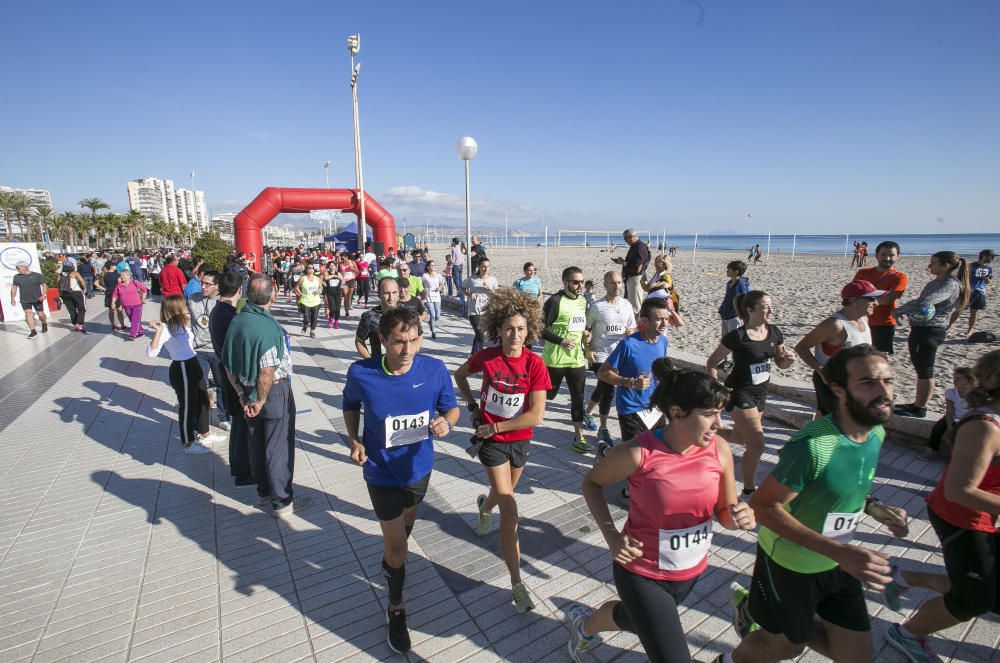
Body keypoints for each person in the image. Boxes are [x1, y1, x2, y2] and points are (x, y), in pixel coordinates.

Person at [721, 344, 909, 663]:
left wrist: (874, 507)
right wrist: (838, 550)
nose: (883, 391)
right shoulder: (814, 446)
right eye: (867, 383)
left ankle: (760, 610)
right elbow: (764, 507)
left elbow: (840, 487)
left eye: (888, 381)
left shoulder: (875, 431)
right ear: (838, 390)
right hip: (789, 565)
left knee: (858, 657)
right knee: (785, 647)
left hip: (837, 559)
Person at [568, 360, 756, 663]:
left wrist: (738, 518)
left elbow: (724, 511)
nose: (719, 424)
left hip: (689, 572)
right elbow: (591, 483)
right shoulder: (638, 452)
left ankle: (584, 625)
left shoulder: (719, 449)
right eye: (709, 414)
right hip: (641, 572)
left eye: (720, 413)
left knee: (634, 619)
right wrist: (612, 537)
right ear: (677, 414)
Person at [342, 307, 460, 654]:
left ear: (420, 338)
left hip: (419, 469)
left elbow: (451, 408)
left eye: (413, 341)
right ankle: (396, 608)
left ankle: (392, 564)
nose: (407, 350)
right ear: (383, 341)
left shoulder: (435, 369)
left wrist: (447, 423)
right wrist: (354, 439)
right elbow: (350, 404)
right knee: (396, 546)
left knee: (403, 536)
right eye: (398, 342)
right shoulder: (362, 372)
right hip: (380, 470)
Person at [880, 350, 999, 663]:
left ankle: (902, 576)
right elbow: (959, 490)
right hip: (964, 518)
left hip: (988, 517)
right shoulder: (983, 427)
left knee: (987, 591)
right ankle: (906, 635)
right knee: (973, 599)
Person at [453, 289, 549, 613]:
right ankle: (517, 584)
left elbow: (536, 415)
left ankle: (484, 506)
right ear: (499, 330)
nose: (515, 335)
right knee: (510, 509)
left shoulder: (535, 364)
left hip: (518, 439)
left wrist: (498, 426)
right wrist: (470, 405)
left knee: (501, 494)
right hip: (491, 443)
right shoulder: (488, 357)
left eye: (521, 329)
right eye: (509, 329)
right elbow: (460, 375)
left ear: (529, 331)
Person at [222, 275, 306, 518]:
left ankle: (263, 492)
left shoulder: (238, 321)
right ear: (273, 295)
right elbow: (267, 372)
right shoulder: (268, 328)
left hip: (246, 390)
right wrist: (260, 400)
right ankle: (282, 500)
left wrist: (240, 393)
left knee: (256, 443)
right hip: (272, 392)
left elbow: (228, 364)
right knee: (277, 446)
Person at [706, 291, 794, 494]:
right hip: (739, 392)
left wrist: (787, 361)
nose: (771, 310)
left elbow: (781, 361)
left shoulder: (774, 332)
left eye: (771, 306)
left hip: (761, 393)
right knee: (756, 445)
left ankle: (708, 432)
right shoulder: (737, 336)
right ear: (750, 310)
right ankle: (749, 490)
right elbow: (712, 361)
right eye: (765, 307)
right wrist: (714, 381)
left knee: (741, 437)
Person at [598, 297, 682, 504]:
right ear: (644, 320)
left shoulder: (663, 341)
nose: (664, 324)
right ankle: (629, 493)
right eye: (659, 319)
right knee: (638, 457)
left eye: (666, 319)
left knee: (659, 450)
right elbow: (603, 373)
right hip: (631, 408)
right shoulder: (628, 344)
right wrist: (629, 382)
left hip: (655, 407)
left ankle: (607, 451)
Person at [894, 250, 971, 418]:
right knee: (921, 367)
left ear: (946, 266)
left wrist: (902, 309)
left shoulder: (948, 284)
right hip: (924, 329)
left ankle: (920, 407)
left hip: (929, 330)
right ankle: (917, 403)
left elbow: (926, 301)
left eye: (933, 263)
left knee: (925, 369)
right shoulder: (941, 281)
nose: (930, 266)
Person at [147, 295, 224, 455]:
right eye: (184, 306)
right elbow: (151, 353)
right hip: (181, 367)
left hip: (193, 363)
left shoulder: (183, 325)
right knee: (187, 405)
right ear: (176, 309)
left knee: (203, 399)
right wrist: (158, 331)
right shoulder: (166, 329)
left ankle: (205, 433)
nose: (187, 308)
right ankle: (188, 442)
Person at [794, 280, 882, 416]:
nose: (876, 303)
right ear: (853, 301)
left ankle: (812, 436)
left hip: (855, 381)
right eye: (871, 298)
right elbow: (801, 347)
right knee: (833, 422)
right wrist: (820, 370)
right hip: (834, 381)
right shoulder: (835, 325)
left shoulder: (864, 319)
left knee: (831, 419)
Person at [542, 266, 592, 453]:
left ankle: (579, 437)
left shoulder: (582, 300)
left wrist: (585, 333)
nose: (579, 285)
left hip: (576, 359)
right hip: (554, 360)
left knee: (578, 397)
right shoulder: (554, 302)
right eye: (575, 282)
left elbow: (580, 325)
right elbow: (540, 328)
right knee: (548, 395)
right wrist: (561, 341)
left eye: (581, 281)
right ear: (565, 282)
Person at [584, 271, 637, 445]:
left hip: (620, 353)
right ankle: (603, 428)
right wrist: (587, 348)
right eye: (613, 283)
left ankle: (588, 411)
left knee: (602, 387)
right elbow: (587, 329)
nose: (617, 286)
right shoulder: (597, 307)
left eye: (619, 283)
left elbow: (632, 327)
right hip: (600, 353)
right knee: (608, 390)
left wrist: (631, 331)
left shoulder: (627, 305)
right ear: (605, 285)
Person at [210, 270, 252, 485]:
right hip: (233, 375)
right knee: (243, 425)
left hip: (226, 370)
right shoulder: (230, 316)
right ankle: (244, 470)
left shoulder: (219, 311)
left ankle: (239, 466)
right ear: (239, 290)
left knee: (239, 425)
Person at [188, 270, 229, 431]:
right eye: (202, 283)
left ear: (217, 286)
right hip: (198, 351)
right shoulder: (193, 299)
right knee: (200, 386)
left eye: (207, 284)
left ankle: (223, 417)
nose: (203, 286)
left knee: (221, 385)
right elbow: (185, 316)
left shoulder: (223, 302)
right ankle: (200, 420)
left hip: (217, 351)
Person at [855, 241, 908, 355]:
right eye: (883, 255)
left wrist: (863, 299)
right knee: (858, 356)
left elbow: (889, 299)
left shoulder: (900, 277)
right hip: (860, 320)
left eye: (891, 255)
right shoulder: (863, 273)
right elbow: (852, 295)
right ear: (877, 255)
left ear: (897, 257)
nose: (887, 258)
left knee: (880, 357)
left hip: (883, 324)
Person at [926, 366, 975, 457]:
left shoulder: (975, 395)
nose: (954, 381)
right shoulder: (950, 392)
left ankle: (957, 458)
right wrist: (949, 426)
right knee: (937, 429)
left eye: (958, 378)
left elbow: (974, 412)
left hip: (969, 419)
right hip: (953, 417)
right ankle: (932, 450)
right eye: (954, 378)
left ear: (969, 381)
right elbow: (949, 411)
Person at [356, 277, 404, 360]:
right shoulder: (369, 316)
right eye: (386, 293)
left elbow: (419, 335)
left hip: (404, 364)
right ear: (379, 294)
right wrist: (370, 361)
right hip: (379, 365)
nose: (391, 297)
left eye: (394, 292)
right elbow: (359, 340)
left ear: (398, 293)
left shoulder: (407, 312)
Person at [717, 260, 750, 369]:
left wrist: (742, 315)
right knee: (725, 338)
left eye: (729, 269)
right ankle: (727, 361)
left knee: (734, 339)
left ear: (736, 272)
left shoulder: (741, 285)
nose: (727, 271)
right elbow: (727, 298)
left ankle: (734, 362)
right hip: (725, 314)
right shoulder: (729, 283)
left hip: (734, 316)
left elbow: (745, 300)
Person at [612, 228, 651, 315]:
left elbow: (637, 269)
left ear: (632, 237)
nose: (625, 241)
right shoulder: (635, 247)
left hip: (636, 279)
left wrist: (623, 262)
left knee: (635, 307)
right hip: (632, 279)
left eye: (626, 239)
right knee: (631, 305)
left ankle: (637, 326)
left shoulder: (640, 247)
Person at [465, 257, 498, 355]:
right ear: (479, 267)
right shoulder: (472, 279)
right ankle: (479, 356)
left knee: (479, 334)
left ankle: (473, 354)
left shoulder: (493, 280)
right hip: (474, 311)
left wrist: (489, 288)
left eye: (487, 267)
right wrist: (470, 295)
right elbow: (461, 289)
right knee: (480, 334)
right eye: (483, 266)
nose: (485, 269)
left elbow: (496, 295)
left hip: (486, 311)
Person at [10, 261, 48, 338]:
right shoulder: (16, 277)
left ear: (24, 267)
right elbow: (14, 287)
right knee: (28, 313)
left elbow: (44, 285)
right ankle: (33, 331)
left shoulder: (37, 275)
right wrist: (12, 298)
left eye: (18, 268)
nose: (17, 270)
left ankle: (44, 323)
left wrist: (44, 294)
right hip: (25, 299)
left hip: (37, 299)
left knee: (41, 314)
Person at [111, 269, 149, 340]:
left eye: (123, 275)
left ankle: (133, 334)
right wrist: (113, 303)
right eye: (121, 275)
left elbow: (144, 289)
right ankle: (141, 331)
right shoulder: (119, 285)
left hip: (137, 305)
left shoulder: (135, 282)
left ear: (129, 276)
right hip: (126, 306)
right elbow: (115, 294)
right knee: (133, 319)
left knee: (135, 319)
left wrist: (143, 299)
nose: (121, 277)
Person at [965, 249, 994, 336]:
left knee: (974, 312)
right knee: (958, 310)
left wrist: (986, 279)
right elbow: (963, 277)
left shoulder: (988, 268)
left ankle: (970, 330)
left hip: (980, 292)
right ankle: (949, 326)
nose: (992, 258)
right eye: (991, 257)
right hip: (968, 291)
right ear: (984, 256)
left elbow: (988, 282)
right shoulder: (971, 266)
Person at [58, 263, 89, 333]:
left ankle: (75, 323)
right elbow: (81, 281)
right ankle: (79, 323)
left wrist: (60, 295)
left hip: (65, 294)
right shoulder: (74, 273)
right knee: (81, 308)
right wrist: (85, 288)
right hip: (76, 292)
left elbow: (58, 285)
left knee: (71, 310)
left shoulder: (60, 275)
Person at [294, 264, 323, 338]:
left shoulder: (317, 278)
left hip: (316, 302)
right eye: (309, 268)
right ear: (306, 270)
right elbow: (296, 287)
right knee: (307, 318)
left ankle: (312, 331)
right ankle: (305, 325)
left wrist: (319, 291)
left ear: (314, 270)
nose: (310, 269)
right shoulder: (303, 278)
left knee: (314, 318)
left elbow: (321, 287)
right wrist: (300, 294)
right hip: (305, 301)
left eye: (312, 268)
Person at [97, 262, 125, 332]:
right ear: (111, 266)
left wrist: (104, 289)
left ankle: (113, 325)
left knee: (111, 310)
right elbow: (120, 284)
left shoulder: (103, 274)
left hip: (108, 293)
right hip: (116, 293)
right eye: (114, 265)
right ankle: (122, 325)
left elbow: (95, 283)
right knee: (119, 310)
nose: (115, 266)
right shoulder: (117, 275)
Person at [420, 259, 443, 339]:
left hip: (436, 296)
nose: (433, 267)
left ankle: (431, 323)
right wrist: (424, 289)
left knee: (437, 316)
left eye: (434, 265)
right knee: (432, 315)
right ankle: (433, 331)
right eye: (431, 265)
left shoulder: (438, 275)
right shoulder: (425, 276)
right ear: (428, 267)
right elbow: (421, 283)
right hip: (428, 297)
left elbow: (441, 283)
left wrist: (439, 288)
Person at [321, 261, 343, 329]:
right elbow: (326, 278)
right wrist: (333, 275)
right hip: (330, 293)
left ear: (335, 266)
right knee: (332, 309)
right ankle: (330, 318)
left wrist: (339, 277)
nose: (332, 266)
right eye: (330, 265)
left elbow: (342, 279)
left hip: (338, 293)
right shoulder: (326, 272)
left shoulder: (338, 273)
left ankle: (336, 322)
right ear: (328, 266)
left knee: (338, 309)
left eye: (333, 265)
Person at [338, 253, 359, 317]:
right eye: (341, 259)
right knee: (345, 295)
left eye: (343, 259)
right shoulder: (340, 264)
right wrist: (341, 274)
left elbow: (358, 271)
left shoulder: (352, 262)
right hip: (344, 281)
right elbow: (339, 273)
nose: (342, 260)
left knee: (349, 296)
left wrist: (353, 269)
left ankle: (348, 308)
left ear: (347, 257)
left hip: (351, 280)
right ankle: (346, 311)